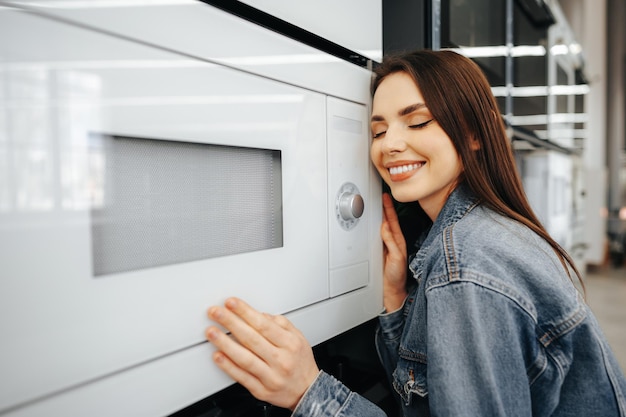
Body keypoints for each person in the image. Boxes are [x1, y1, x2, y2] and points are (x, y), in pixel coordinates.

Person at [205, 49, 626, 416]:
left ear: (476, 134)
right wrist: (396, 300)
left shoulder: (468, 265)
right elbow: (424, 390)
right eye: (379, 130)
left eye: (418, 122)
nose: (390, 145)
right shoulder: (477, 233)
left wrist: (309, 392)